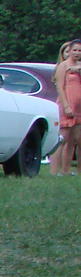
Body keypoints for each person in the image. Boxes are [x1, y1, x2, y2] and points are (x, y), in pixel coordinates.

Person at [54, 40, 81, 176]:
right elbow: (60, 86)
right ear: (69, 51)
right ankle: (54, 171)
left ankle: (67, 170)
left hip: (79, 108)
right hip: (67, 105)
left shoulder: (78, 66)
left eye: (79, 51)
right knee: (62, 138)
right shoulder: (63, 66)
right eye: (75, 50)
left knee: (74, 139)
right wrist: (66, 106)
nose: (77, 53)